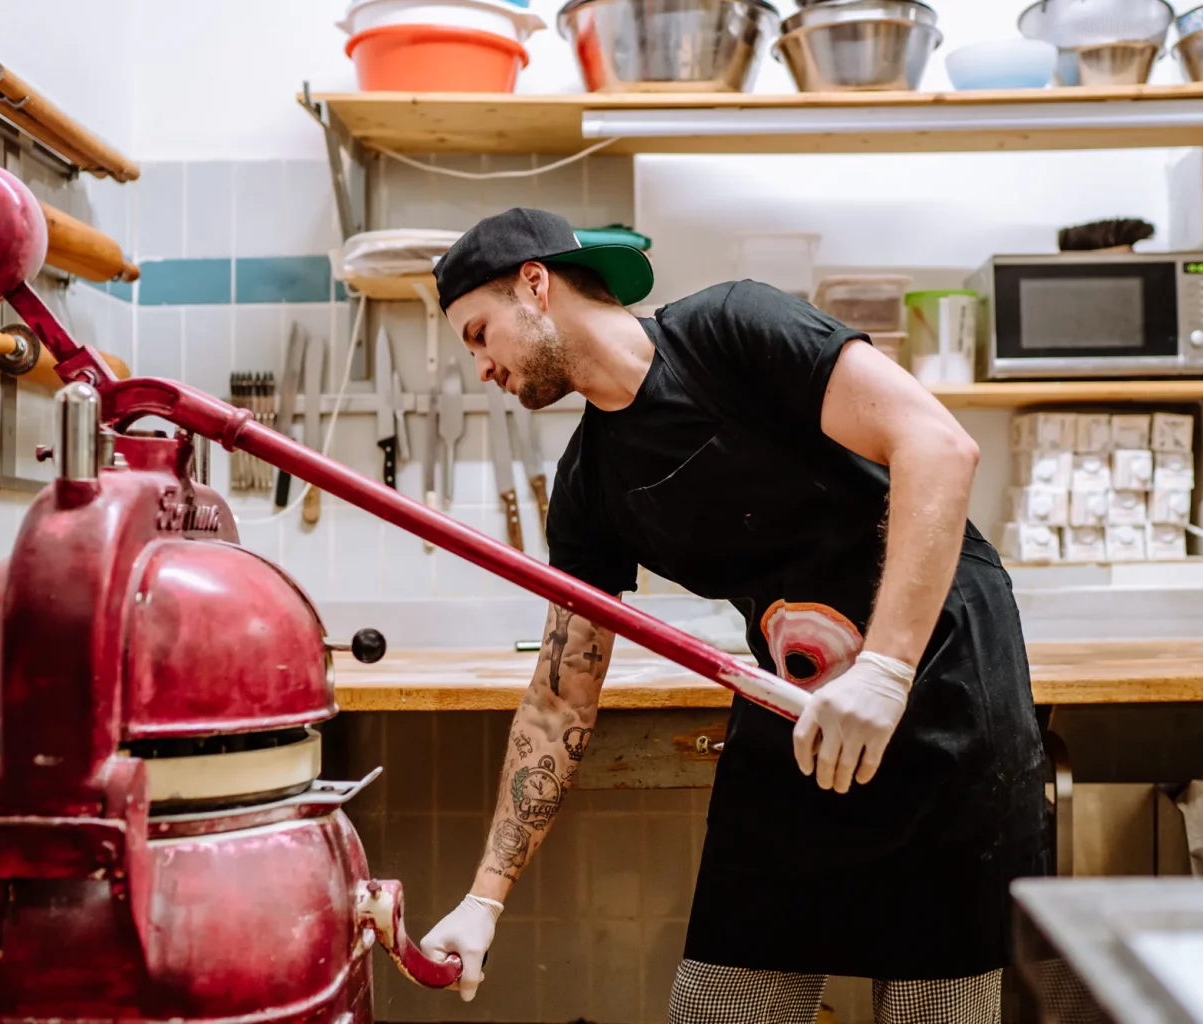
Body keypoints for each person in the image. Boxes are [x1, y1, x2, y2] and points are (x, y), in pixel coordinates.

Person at [418, 208, 1049, 1024]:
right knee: (722, 1002)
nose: (480, 367)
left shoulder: (731, 328)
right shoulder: (589, 488)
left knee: (937, 1006)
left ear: (535, 284)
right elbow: (559, 699)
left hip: (941, 677)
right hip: (795, 698)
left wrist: (888, 671)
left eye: (479, 334)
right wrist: (485, 898)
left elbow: (936, 446)